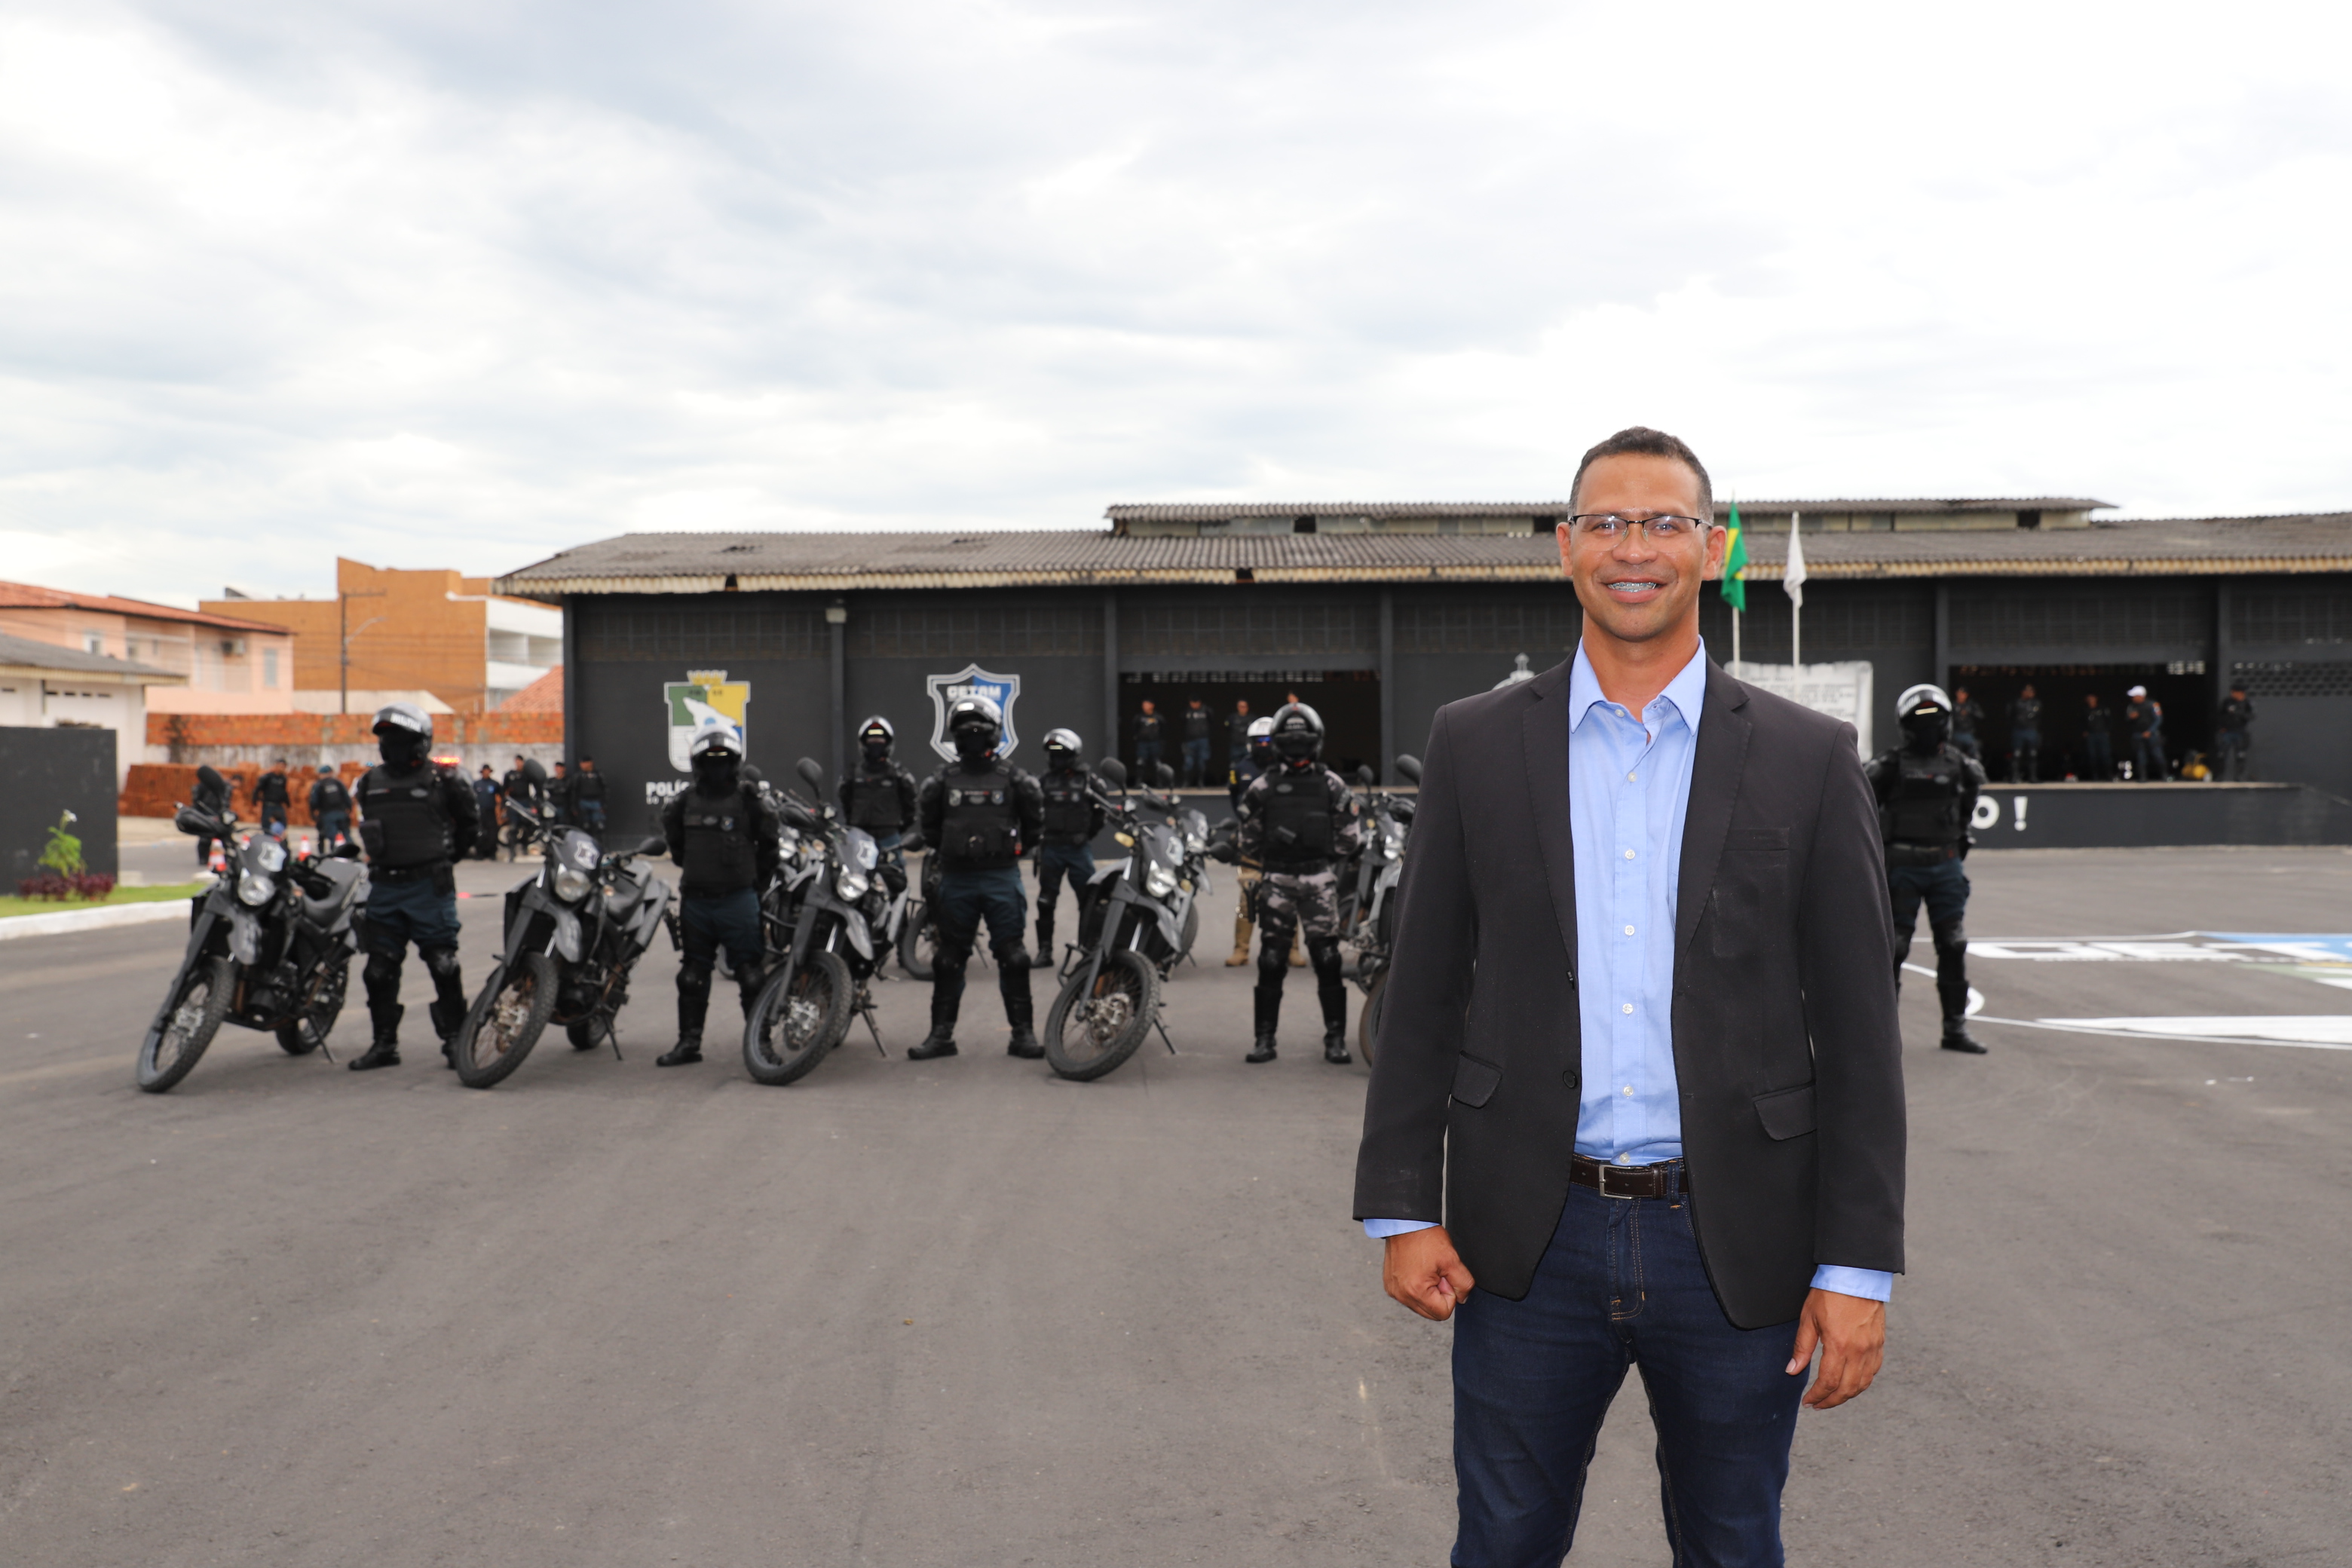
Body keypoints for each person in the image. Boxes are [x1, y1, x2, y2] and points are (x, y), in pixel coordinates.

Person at [1355, 426, 1904, 1566]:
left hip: (1737, 1241)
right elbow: (1421, 991)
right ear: (1566, 548)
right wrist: (1404, 1208)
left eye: (1665, 522)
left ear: (1713, 548)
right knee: (1502, 1543)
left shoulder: (1809, 757)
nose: (1634, 547)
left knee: (1732, 1544)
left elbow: (1859, 1032)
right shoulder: (1475, 741)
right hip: (1526, 1242)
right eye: (1606, 522)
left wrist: (1855, 1269)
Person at [910, 694, 1045, 1061]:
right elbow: (931, 830)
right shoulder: (940, 782)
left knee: (1014, 957)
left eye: (979, 732)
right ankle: (941, 1037)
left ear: (994, 735)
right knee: (947, 958)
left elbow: (1034, 830)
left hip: (1000, 876)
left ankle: (1023, 1035)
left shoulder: (1017, 781)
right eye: (965, 733)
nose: (972, 739)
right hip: (957, 879)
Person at [348, 703, 479, 1070]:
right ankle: (384, 1044)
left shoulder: (445, 780)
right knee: (378, 970)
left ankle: (456, 1040)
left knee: (443, 965)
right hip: (385, 888)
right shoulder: (369, 783)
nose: (393, 744)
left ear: (422, 742)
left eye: (402, 738)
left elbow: (470, 827)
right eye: (388, 738)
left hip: (429, 887)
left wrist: (444, 859)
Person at [1236, 702, 1360, 1065]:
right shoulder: (1263, 786)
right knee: (1271, 960)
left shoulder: (1331, 784)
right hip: (1278, 880)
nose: (1297, 750)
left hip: (1317, 880)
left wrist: (1317, 854)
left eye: (1301, 743)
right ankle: (1264, 1040)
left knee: (1327, 958)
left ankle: (1335, 1039)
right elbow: (1248, 837)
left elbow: (1349, 837)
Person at [1867, 684, 1988, 1055]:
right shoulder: (1888, 766)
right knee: (1895, 948)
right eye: (1921, 723)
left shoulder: (1961, 766)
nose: (1928, 730)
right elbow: (1862, 807)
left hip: (1945, 864)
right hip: (1902, 866)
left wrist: (1957, 841)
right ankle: (1883, 1040)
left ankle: (1955, 1029)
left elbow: (1967, 808)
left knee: (1953, 944)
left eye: (1935, 722)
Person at [657, 726, 784, 1067]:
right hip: (696, 902)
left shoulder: (751, 801)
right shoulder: (683, 802)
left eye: (723, 761)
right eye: (709, 761)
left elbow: (770, 847)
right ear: (697, 764)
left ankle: (761, 1044)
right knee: (692, 975)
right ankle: (688, 1044)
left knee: (751, 975)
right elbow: (677, 847)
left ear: (735, 763)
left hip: (738, 900)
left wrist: (754, 885)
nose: (717, 768)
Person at [1225, 715, 1303, 970]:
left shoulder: (1289, 767)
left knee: (1288, 896)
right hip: (1253, 844)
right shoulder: (1240, 768)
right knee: (1248, 894)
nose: (1263, 745)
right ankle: (1241, 950)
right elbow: (1235, 800)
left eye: (1268, 740)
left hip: (1284, 843)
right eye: (1259, 741)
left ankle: (1293, 949)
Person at [838, 715, 920, 863]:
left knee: (897, 878)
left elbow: (910, 806)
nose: (875, 744)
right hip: (860, 835)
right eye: (871, 741)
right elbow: (846, 802)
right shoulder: (852, 775)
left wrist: (897, 828)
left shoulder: (899, 775)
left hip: (889, 836)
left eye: (880, 741)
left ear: (888, 743)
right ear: (863, 743)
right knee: (852, 876)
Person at [2126, 684, 2167, 781]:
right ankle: (2143, 777)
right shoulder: (2131, 706)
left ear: (2141, 696)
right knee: (2141, 757)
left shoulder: (2153, 704)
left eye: (2134, 696)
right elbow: (2127, 719)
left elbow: (2158, 719)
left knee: (2158, 755)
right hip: (2138, 735)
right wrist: (2131, 718)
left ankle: (2164, 775)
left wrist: (2150, 731)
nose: (2132, 698)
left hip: (2152, 736)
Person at [191, 767, 231, 867]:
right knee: (205, 838)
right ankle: (203, 858)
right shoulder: (201, 788)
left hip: (218, 814)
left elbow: (225, 801)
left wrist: (222, 813)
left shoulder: (222, 786)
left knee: (223, 837)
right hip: (206, 815)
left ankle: (225, 858)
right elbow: (197, 803)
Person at [2216, 682, 2256, 781]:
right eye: (2239, 692)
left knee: (2240, 755)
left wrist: (2240, 713)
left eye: (2243, 693)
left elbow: (2252, 716)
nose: (2242, 695)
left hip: (2240, 733)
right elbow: (2219, 715)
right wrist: (2221, 727)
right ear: (2233, 692)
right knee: (2221, 754)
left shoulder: (2247, 703)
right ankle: (2220, 776)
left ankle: (2238, 777)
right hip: (2227, 732)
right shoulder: (2227, 702)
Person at [308, 764, 353, 851]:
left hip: (327, 814)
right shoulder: (338, 783)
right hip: (342, 813)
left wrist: (313, 814)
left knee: (333, 837)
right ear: (331, 773)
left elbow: (313, 801)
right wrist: (349, 810)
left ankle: (336, 855)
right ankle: (353, 854)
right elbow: (347, 797)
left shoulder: (318, 785)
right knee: (346, 835)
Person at [2007, 683, 2043, 782]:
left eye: (2032, 691)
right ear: (2023, 692)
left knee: (2033, 754)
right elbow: (2010, 715)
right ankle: (2014, 777)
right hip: (2019, 731)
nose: (2030, 693)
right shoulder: (2016, 702)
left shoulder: (2036, 703)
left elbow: (2039, 717)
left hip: (2031, 731)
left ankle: (2033, 777)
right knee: (2017, 754)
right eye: (2028, 691)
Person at [1225, 699, 1257, 807]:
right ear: (1238, 707)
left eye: (1244, 706)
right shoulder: (1232, 718)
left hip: (1246, 745)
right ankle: (1233, 783)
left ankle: (1249, 783)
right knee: (1234, 765)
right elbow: (1227, 728)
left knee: (1249, 764)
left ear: (1247, 707)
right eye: (1240, 706)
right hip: (1235, 746)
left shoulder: (1252, 718)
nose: (1243, 709)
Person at [253, 759, 291, 838]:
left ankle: (281, 842)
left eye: (284, 767)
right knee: (267, 825)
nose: (282, 768)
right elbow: (258, 789)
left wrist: (288, 803)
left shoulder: (283, 778)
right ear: (276, 766)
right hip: (268, 805)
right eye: (280, 766)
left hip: (278, 805)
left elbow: (283, 791)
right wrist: (255, 800)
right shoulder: (267, 777)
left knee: (282, 825)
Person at [2081, 692, 2115, 780]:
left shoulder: (2103, 708)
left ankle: (2108, 774)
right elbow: (2081, 722)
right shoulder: (2085, 710)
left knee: (2105, 755)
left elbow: (2109, 720)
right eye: (2089, 699)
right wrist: (2084, 732)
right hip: (2091, 735)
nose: (2091, 700)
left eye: (2092, 698)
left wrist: (2108, 731)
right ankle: (2095, 776)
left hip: (2102, 734)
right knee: (2092, 756)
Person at [471, 766, 503, 859]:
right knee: (480, 833)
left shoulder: (494, 784)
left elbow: (502, 796)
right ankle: (479, 853)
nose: (486, 772)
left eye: (488, 771)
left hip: (491, 811)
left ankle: (492, 853)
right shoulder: (477, 784)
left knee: (492, 833)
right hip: (480, 812)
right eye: (485, 771)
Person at [571, 755, 608, 835]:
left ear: (590, 763)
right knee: (585, 825)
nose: (582, 765)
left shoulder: (598, 775)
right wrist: (574, 806)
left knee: (599, 825)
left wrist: (604, 804)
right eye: (581, 763)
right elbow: (574, 791)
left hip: (596, 802)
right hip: (583, 802)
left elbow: (605, 789)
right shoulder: (578, 776)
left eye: (584, 763)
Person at [1180, 697, 1213, 787]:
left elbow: (1212, 722)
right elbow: (1182, 723)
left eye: (1196, 702)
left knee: (1202, 762)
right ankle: (1186, 782)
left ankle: (1200, 782)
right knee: (1188, 762)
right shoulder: (1187, 712)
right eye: (1192, 703)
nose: (1194, 705)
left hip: (1203, 740)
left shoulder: (1206, 711)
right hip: (1190, 741)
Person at [1950, 686, 1984, 761]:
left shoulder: (1970, 705)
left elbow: (1981, 716)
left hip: (1968, 733)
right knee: (1955, 756)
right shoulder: (1952, 705)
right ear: (1956, 694)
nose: (1961, 696)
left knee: (1976, 755)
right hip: (1956, 733)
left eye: (1963, 694)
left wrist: (1970, 711)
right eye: (1960, 693)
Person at [1132, 700, 1164, 779]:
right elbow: (1134, 728)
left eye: (1146, 705)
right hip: (1142, 744)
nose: (1144, 707)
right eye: (1143, 705)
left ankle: (1159, 783)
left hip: (1155, 743)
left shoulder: (1158, 717)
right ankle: (1138, 782)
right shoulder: (1139, 717)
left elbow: (1164, 729)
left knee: (1157, 763)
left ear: (1152, 705)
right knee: (1140, 763)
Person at [547, 761, 571, 826]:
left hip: (562, 805)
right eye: (556, 768)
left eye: (559, 768)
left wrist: (555, 789)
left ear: (563, 769)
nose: (558, 769)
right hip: (552, 805)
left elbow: (565, 789)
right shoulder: (551, 780)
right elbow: (547, 787)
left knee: (562, 822)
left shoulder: (567, 779)